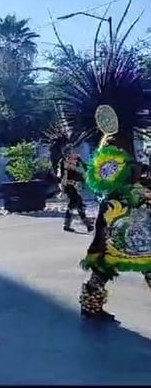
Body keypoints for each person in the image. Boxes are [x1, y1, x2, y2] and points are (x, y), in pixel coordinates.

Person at [75, 106, 151, 321]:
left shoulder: (108, 142)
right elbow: (114, 175)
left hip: (116, 208)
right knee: (118, 260)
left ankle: (90, 306)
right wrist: (138, 178)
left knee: (106, 262)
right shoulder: (117, 142)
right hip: (124, 207)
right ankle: (90, 306)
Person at [58, 149, 93, 233]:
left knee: (79, 204)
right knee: (74, 203)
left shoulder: (76, 160)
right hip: (70, 187)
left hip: (75, 186)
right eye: (69, 152)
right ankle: (68, 225)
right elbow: (64, 176)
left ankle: (88, 226)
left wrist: (81, 162)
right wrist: (63, 189)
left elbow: (84, 168)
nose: (71, 153)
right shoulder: (64, 162)